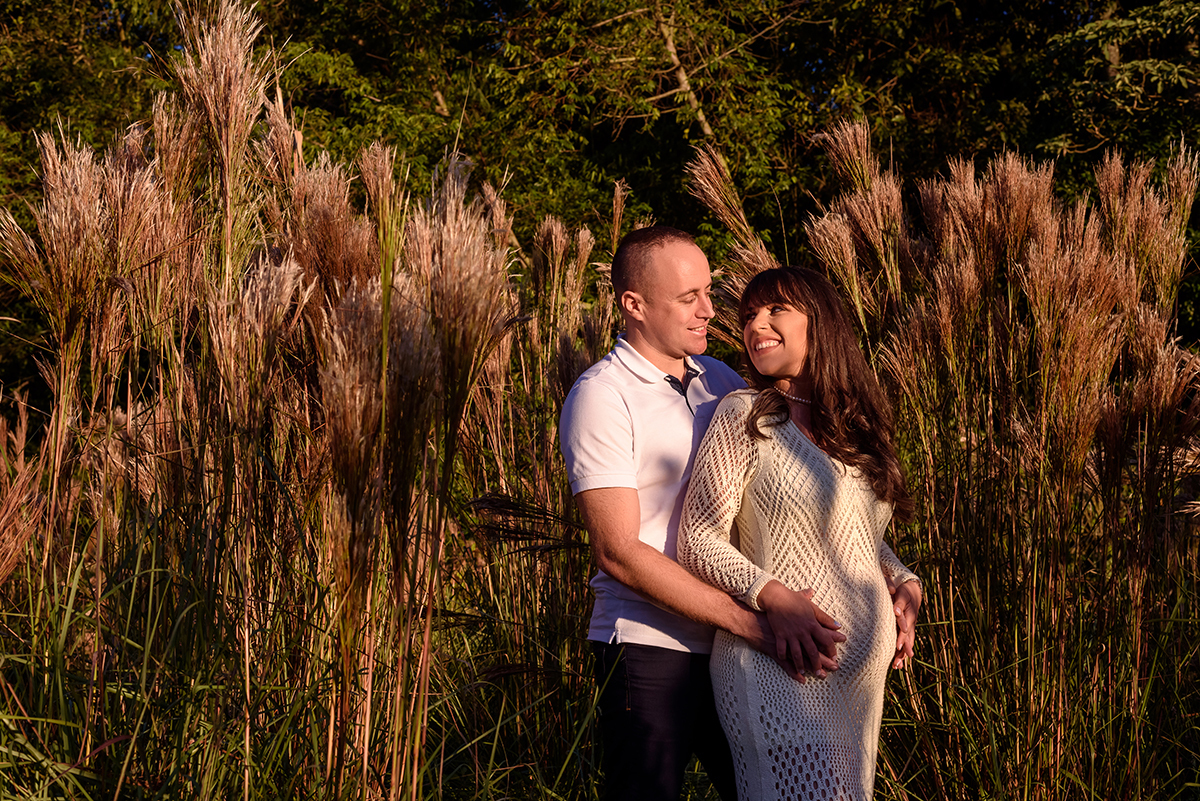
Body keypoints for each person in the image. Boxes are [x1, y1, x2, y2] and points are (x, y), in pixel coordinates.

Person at [559, 229, 845, 801]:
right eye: (688, 298)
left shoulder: (719, 379)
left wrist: (893, 577)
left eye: (709, 293)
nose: (710, 312)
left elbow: (793, 490)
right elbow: (619, 552)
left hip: (736, 653)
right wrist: (749, 621)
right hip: (650, 649)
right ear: (634, 304)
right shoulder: (603, 396)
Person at [677, 266, 922, 801]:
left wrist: (904, 579)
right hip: (782, 669)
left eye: (775, 310)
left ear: (821, 322)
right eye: (748, 316)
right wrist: (774, 595)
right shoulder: (745, 416)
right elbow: (697, 537)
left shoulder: (852, 426)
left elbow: (855, 533)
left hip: (856, 685)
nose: (755, 324)